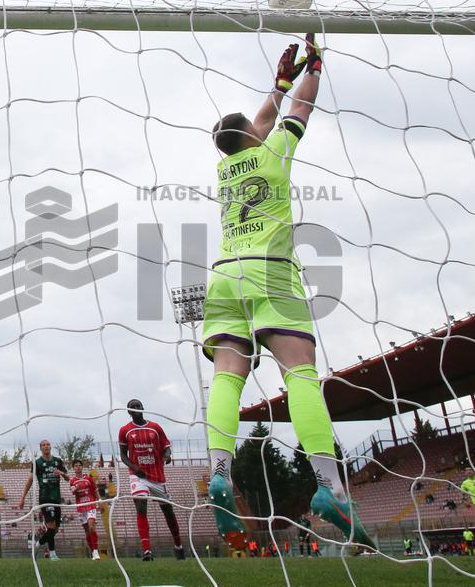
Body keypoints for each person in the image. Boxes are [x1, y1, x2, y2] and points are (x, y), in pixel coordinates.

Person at [201, 33, 372, 551]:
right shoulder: (274, 153)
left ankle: (219, 474)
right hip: (270, 270)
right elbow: (300, 108)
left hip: (223, 275)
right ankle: (330, 487)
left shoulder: (225, 167)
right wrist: (313, 68)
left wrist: (275, 84)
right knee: (299, 371)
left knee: (228, 374)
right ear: (254, 136)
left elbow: (255, 122)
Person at [119, 399, 185, 561]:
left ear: (143, 408)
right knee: (141, 505)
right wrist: (134, 468)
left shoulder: (155, 428)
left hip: (157, 476)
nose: (135, 409)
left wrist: (167, 456)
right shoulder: (125, 430)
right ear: (128, 412)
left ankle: (178, 546)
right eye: (132, 407)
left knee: (168, 511)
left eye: (138, 406)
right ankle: (147, 551)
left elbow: (166, 447)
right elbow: (123, 455)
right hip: (138, 475)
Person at [19, 439, 68, 560]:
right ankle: (53, 554)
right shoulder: (37, 463)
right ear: (41, 448)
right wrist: (23, 497)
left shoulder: (58, 461)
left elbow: (67, 478)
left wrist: (61, 473)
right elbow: (30, 480)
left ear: (51, 447)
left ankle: (39, 543)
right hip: (45, 498)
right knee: (51, 526)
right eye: (44, 445)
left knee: (55, 528)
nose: (46, 446)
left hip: (56, 498)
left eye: (48, 444)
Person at [69, 459, 101, 561]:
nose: (78, 467)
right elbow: (72, 491)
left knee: (92, 527)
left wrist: (99, 500)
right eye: (76, 466)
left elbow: (95, 490)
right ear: (73, 468)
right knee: (87, 532)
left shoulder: (88, 478)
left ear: (82, 467)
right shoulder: (72, 480)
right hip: (81, 508)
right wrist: (76, 487)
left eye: (79, 465)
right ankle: (93, 552)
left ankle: (96, 551)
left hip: (91, 505)